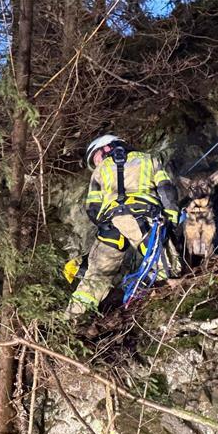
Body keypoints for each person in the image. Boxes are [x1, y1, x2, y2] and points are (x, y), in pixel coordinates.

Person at [66, 134, 180, 318]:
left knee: (95, 277)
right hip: (144, 217)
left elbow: (92, 208)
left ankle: (72, 320)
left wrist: (109, 226)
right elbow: (166, 188)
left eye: (96, 157)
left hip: (110, 224)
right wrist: (171, 216)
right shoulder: (148, 159)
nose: (97, 162)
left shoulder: (99, 172)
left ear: (107, 148)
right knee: (168, 267)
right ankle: (157, 309)